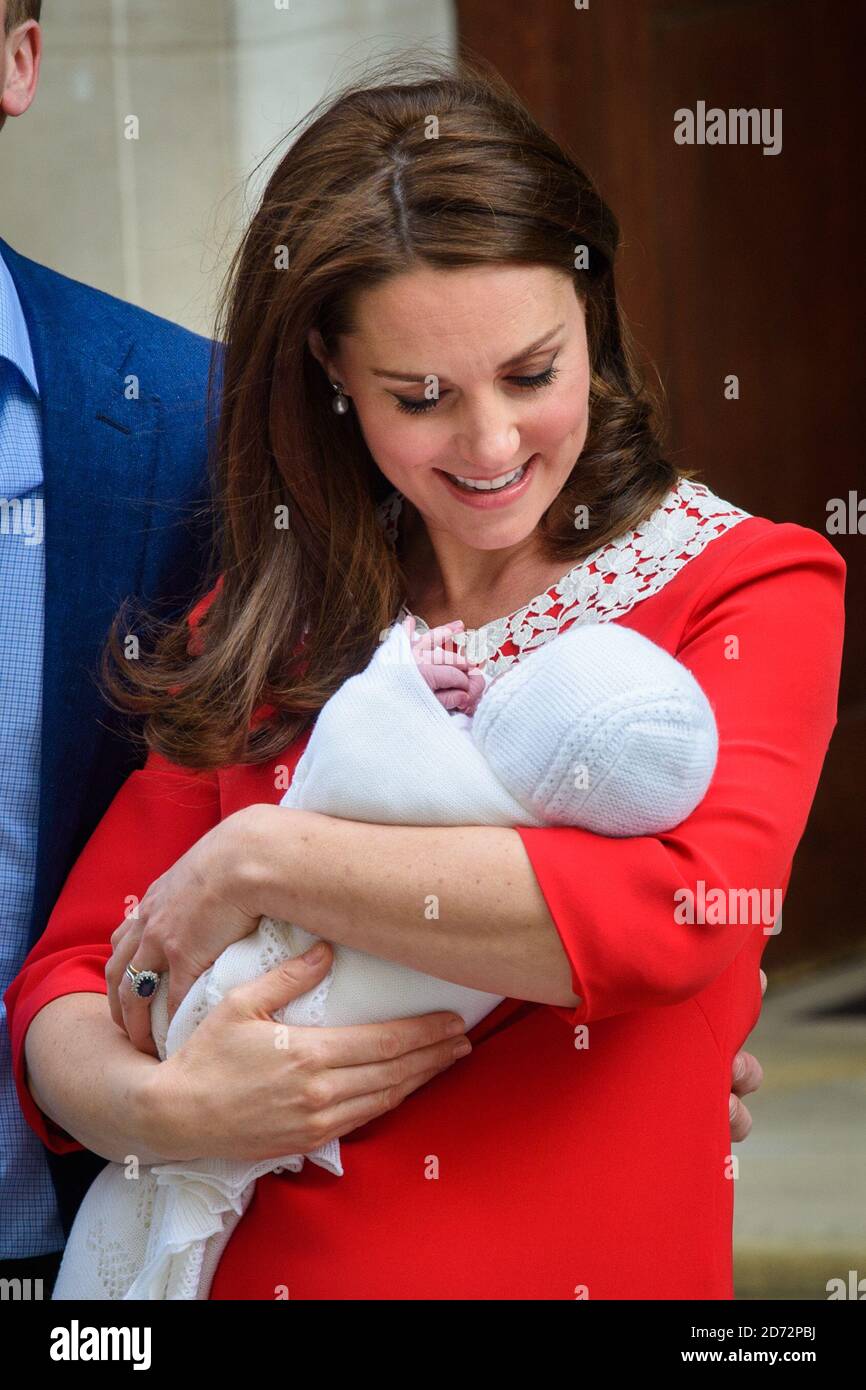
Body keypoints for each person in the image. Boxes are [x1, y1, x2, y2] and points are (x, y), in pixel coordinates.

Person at [5, 58, 801, 1299]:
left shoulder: (745, 584)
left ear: (592, 320)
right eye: (419, 397)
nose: (490, 446)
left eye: (533, 375)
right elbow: (65, 976)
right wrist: (164, 1109)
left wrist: (257, 861)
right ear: (330, 369)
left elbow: (675, 917)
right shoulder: (281, 607)